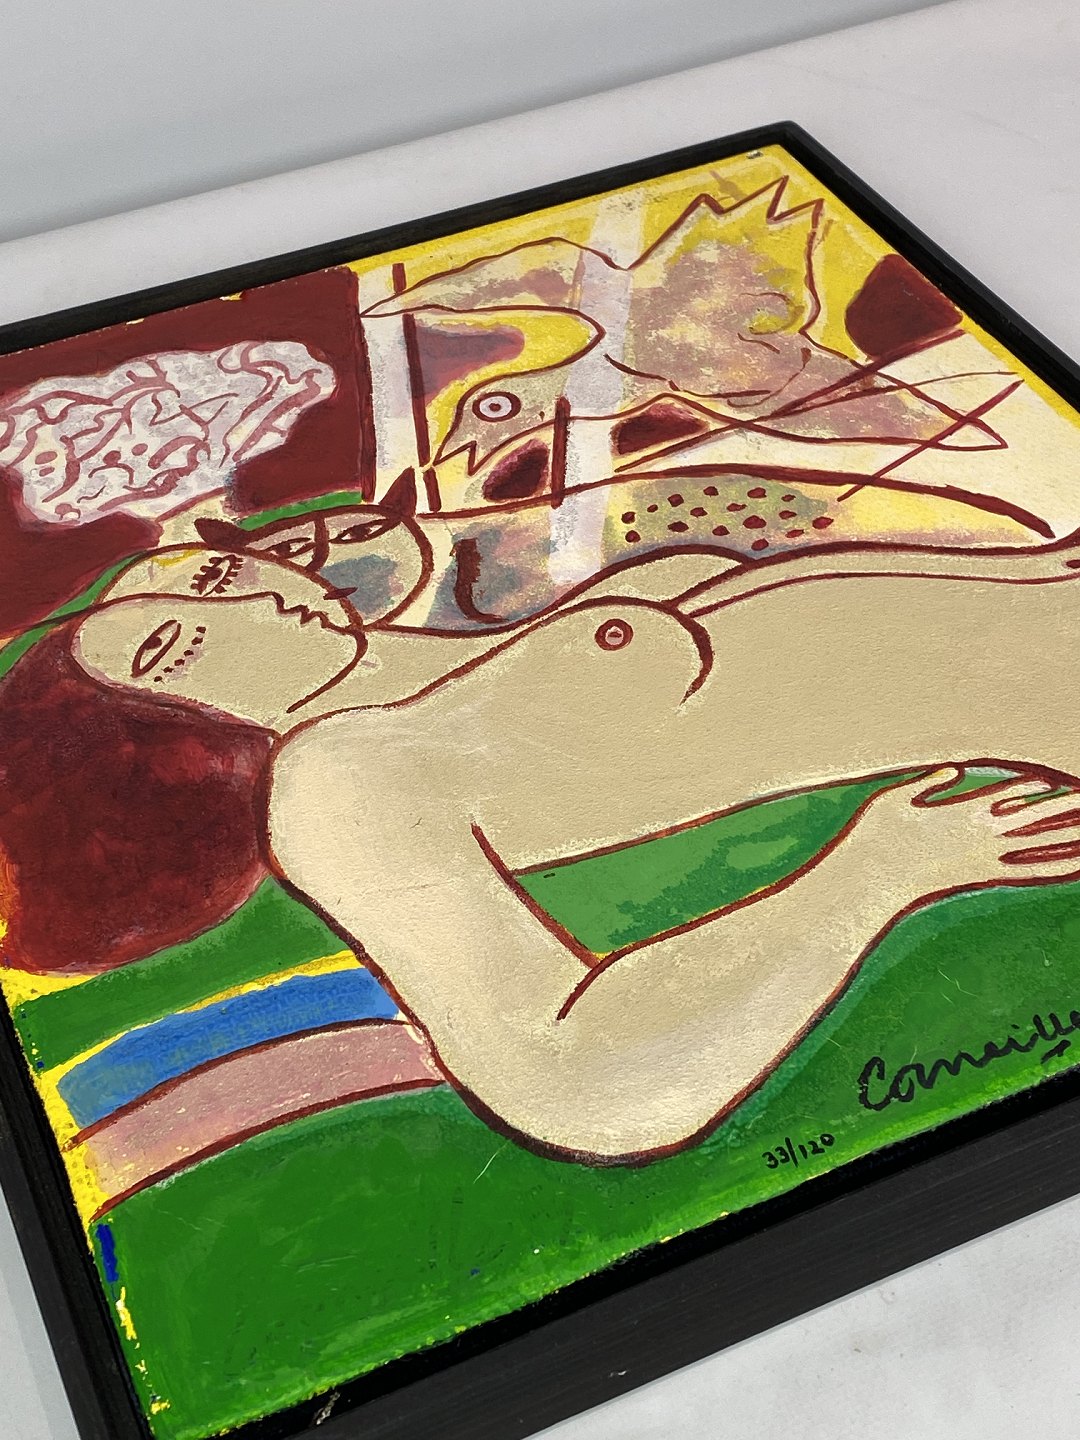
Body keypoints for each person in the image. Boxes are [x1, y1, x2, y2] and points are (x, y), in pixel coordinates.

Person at [70, 532, 1080, 1162]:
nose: (252, 602)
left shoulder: (454, 642)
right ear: (166, 748)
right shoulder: (341, 785)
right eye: (176, 646)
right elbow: (572, 1077)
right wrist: (876, 874)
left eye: (212, 577)